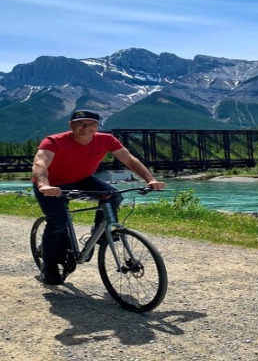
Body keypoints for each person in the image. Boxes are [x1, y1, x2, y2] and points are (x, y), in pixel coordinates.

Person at [32, 110, 165, 285]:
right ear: (71, 125)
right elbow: (40, 162)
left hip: (82, 179)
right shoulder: (54, 141)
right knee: (58, 222)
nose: (86, 128)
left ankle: (100, 231)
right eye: (81, 124)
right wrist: (43, 184)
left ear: (98, 126)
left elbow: (130, 160)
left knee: (113, 196)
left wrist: (150, 179)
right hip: (52, 183)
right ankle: (49, 266)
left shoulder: (106, 140)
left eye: (92, 124)